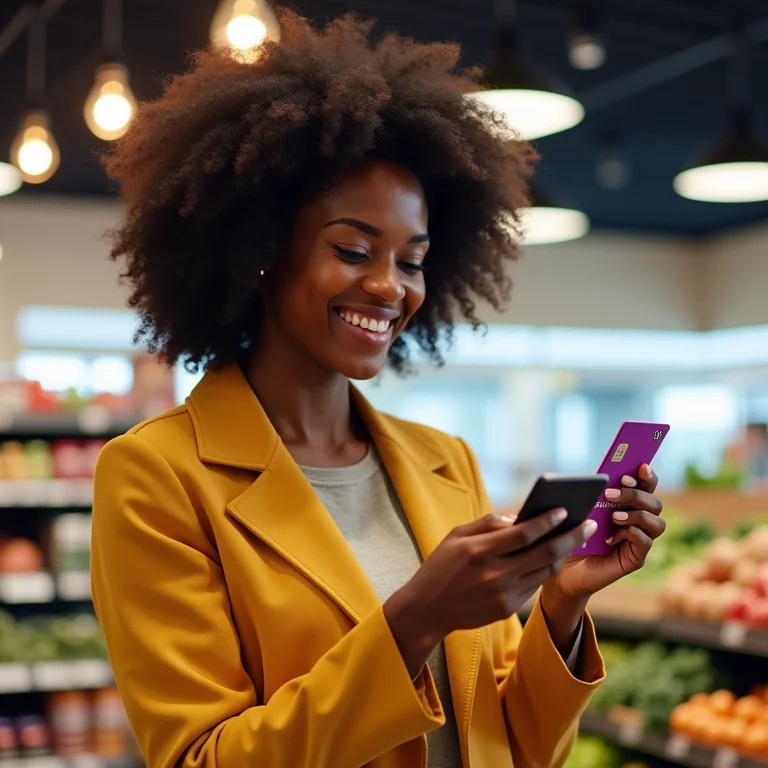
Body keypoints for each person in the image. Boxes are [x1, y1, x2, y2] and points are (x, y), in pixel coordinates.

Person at [90, 11, 666, 768]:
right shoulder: (157, 477)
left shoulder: (442, 461)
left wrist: (562, 602)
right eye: (354, 249)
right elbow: (204, 757)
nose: (389, 287)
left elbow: (514, 744)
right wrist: (413, 620)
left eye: (414, 260)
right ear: (262, 249)